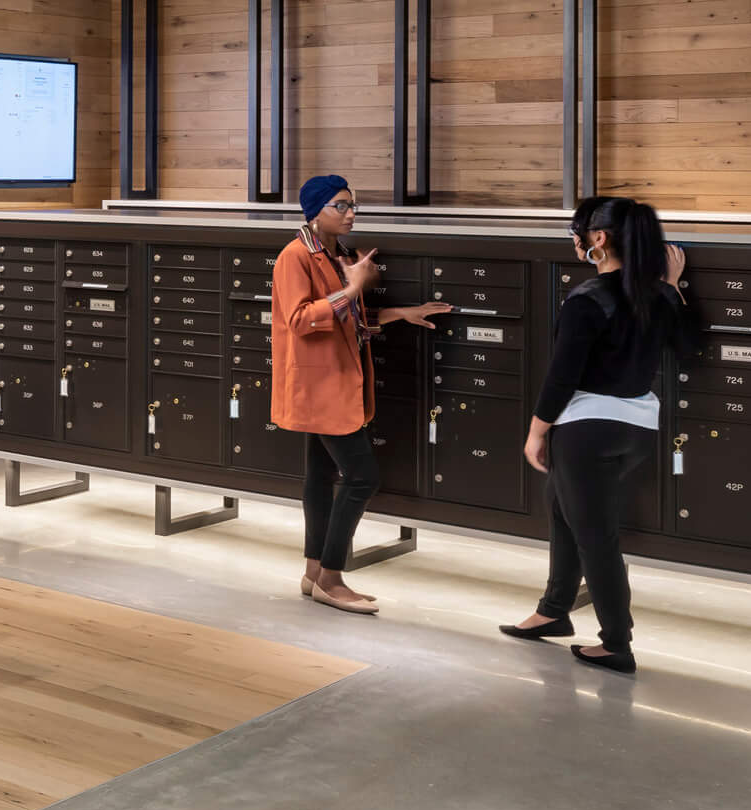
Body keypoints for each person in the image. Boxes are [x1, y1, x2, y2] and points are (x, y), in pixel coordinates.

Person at [501, 197, 699, 674]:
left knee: (597, 537)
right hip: (636, 430)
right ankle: (553, 611)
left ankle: (616, 643)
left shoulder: (587, 298)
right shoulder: (655, 294)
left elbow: (562, 376)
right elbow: (689, 346)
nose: (574, 240)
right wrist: (672, 287)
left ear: (599, 239)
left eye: (577, 231)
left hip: (587, 430)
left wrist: (535, 432)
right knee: (563, 512)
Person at [274, 175, 452, 613]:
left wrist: (400, 314)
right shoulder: (294, 257)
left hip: (335, 382)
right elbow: (301, 320)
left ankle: (315, 573)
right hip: (319, 387)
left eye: (352, 205)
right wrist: (353, 287)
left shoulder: (339, 256)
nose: (350, 213)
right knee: (362, 477)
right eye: (340, 206)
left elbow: (348, 319)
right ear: (315, 211)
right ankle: (333, 580)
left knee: (320, 476)